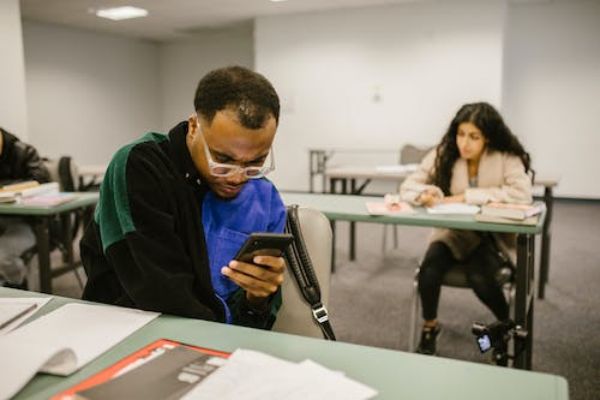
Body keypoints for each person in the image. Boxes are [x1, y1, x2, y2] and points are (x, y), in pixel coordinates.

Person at [81, 66, 287, 329]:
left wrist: (257, 298)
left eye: (256, 162)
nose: (238, 177)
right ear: (193, 127)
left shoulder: (265, 199)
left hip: (219, 337)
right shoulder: (141, 166)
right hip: (126, 329)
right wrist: (226, 338)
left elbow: (254, 318)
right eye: (222, 159)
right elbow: (161, 293)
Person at [400, 102, 533, 355]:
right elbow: (408, 186)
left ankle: (504, 327)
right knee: (429, 270)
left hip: (492, 237)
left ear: (488, 137)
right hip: (453, 232)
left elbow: (522, 195)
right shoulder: (444, 152)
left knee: (480, 277)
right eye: (461, 134)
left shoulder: (506, 156)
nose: (464, 143)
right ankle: (430, 327)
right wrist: (425, 193)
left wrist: (465, 197)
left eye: (474, 136)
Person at [0, 127, 50, 288]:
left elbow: (41, 180)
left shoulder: (25, 152)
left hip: (26, 223)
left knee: (3, 257)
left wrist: (4, 188)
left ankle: (18, 284)